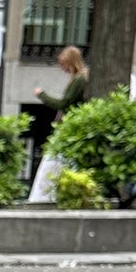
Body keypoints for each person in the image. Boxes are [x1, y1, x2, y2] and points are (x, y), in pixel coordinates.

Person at [26, 44, 87, 199]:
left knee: (53, 161)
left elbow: (64, 103)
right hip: (68, 126)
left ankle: (44, 196)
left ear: (71, 62)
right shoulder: (77, 79)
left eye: (64, 64)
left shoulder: (79, 80)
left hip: (69, 129)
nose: (62, 68)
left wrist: (42, 95)